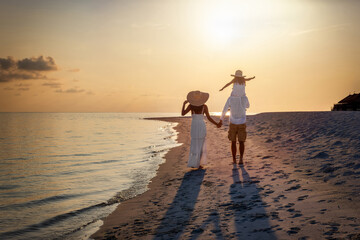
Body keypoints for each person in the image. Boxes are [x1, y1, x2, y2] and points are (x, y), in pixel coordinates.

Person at [218, 70, 253, 165]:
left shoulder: (230, 98)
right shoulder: (245, 98)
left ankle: (234, 160)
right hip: (242, 121)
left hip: (233, 121)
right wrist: (242, 103)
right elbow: (248, 106)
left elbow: (225, 109)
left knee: (233, 142)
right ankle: (241, 159)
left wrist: (221, 119)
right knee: (241, 142)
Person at [181, 91, 221, 169]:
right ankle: (198, 163)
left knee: (194, 144)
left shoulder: (191, 106)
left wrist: (184, 104)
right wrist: (217, 124)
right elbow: (209, 118)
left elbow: (183, 113)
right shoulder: (204, 106)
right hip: (201, 125)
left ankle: (194, 163)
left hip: (194, 126)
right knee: (200, 144)